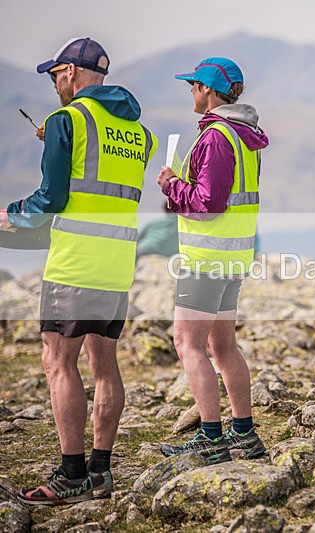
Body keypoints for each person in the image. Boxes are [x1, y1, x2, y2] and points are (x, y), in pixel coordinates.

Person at [3, 38, 158, 505]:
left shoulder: (66, 121)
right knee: (105, 365)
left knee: (58, 363)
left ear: (71, 71)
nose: (54, 85)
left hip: (74, 261)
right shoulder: (140, 134)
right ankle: (100, 472)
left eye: (54, 76)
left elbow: (50, 199)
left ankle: (71, 475)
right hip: (116, 264)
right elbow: (100, 180)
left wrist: (10, 213)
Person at [156, 57, 269, 463]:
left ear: (206, 90)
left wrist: (172, 186)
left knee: (188, 343)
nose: (190, 91)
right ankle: (243, 434)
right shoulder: (244, 134)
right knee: (222, 344)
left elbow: (207, 204)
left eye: (192, 85)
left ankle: (211, 437)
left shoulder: (217, 136)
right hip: (233, 254)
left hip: (206, 257)